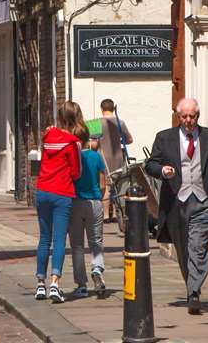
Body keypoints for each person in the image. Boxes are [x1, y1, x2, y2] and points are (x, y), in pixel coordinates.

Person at [144, 97, 208, 315]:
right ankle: (192, 286)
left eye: (192, 116)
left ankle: (194, 293)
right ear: (178, 117)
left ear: (197, 116)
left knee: (198, 246)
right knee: (183, 250)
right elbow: (150, 165)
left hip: (204, 202)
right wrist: (163, 170)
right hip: (176, 203)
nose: (188, 120)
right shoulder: (164, 138)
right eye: (184, 116)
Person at [33, 100, 86, 303]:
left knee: (44, 238)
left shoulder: (48, 136)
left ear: (60, 117)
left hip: (43, 190)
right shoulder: (73, 142)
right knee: (58, 240)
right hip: (62, 193)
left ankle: (40, 284)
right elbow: (76, 172)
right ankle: (55, 284)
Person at [67, 133, 109, 297]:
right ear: (88, 140)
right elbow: (103, 183)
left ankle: (81, 285)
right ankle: (97, 269)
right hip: (95, 202)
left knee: (77, 245)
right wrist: (99, 196)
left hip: (76, 202)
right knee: (96, 241)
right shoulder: (96, 157)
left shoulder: (73, 157)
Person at [98, 98, 133, 223]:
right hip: (118, 157)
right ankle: (117, 213)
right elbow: (129, 140)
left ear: (102, 109)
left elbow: (91, 142)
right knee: (118, 185)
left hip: (103, 158)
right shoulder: (120, 122)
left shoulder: (97, 123)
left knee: (106, 187)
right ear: (113, 109)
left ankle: (106, 215)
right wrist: (120, 140)